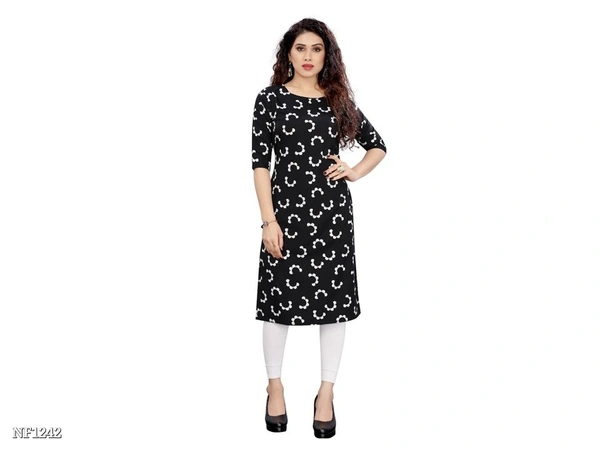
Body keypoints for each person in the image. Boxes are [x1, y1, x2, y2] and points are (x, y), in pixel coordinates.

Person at [251, 17, 386, 439]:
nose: (308, 56)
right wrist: (268, 220)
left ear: (327, 55)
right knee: (277, 302)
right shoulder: (270, 99)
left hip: (331, 217)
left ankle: (326, 393)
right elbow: (260, 164)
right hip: (286, 216)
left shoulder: (337, 100)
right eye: (300, 48)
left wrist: (354, 171)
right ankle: (275, 386)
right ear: (288, 54)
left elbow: (378, 145)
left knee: (334, 305)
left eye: (316, 49)